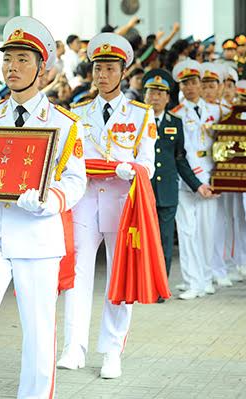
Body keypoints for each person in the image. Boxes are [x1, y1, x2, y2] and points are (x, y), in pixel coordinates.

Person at [0, 16, 86, 399]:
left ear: (43, 69)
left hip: (38, 239)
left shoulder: (63, 123)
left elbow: (76, 180)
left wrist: (49, 201)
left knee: (40, 330)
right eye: (8, 58)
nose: (12, 67)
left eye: (23, 59)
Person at [58, 32, 156, 379]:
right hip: (85, 201)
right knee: (77, 275)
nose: (102, 75)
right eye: (98, 67)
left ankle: (112, 350)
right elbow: (68, 160)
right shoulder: (77, 111)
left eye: (111, 68)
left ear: (123, 72)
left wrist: (133, 171)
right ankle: (74, 346)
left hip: (121, 204)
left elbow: (149, 164)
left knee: (120, 275)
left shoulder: (141, 114)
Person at [143, 68, 213, 276]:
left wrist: (197, 185)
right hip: (143, 190)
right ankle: (142, 282)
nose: (154, 98)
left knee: (164, 239)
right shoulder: (137, 122)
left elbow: (180, 159)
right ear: (144, 96)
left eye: (159, 94)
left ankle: (160, 284)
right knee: (143, 238)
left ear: (167, 98)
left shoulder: (176, 123)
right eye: (150, 93)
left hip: (167, 192)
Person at [169, 59, 221, 299]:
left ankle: (206, 276)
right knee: (187, 231)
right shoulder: (176, 114)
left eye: (193, 82)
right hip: (186, 177)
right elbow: (180, 152)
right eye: (185, 83)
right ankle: (192, 281)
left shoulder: (216, 110)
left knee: (207, 230)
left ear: (201, 84)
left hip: (211, 173)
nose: (189, 87)